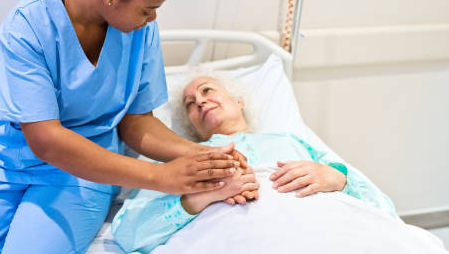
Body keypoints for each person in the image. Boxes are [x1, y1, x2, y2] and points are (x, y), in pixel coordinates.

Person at [0, 0, 257, 254]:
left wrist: (202, 156)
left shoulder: (139, 31)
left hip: (84, 171)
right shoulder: (29, 25)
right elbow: (45, 140)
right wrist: (158, 177)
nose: (152, 19)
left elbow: (136, 123)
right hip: (6, 162)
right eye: (147, 9)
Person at [111, 73, 396, 253]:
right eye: (190, 104)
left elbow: (382, 208)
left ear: (239, 101)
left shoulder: (292, 141)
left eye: (207, 90)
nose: (199, 101)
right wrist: (202, 197)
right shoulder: (181, 160)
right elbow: (129, 233)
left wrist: (336, 179)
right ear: (192, 128)